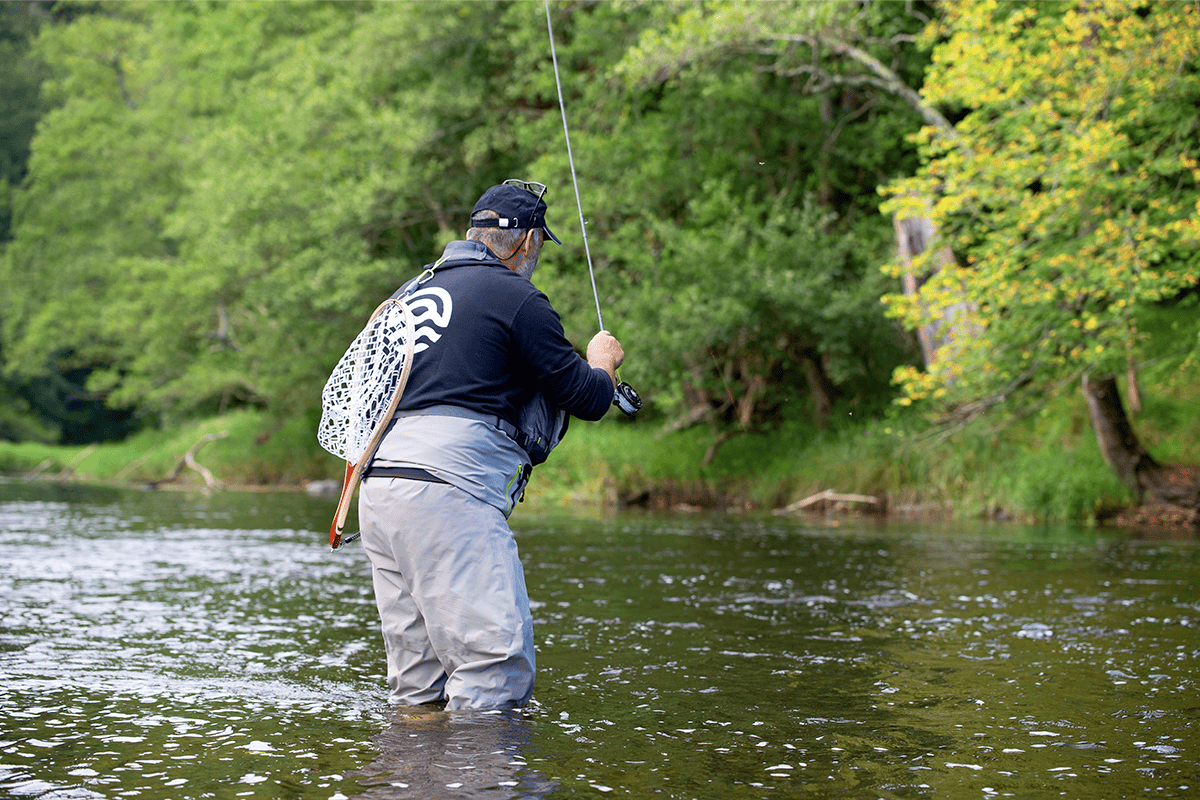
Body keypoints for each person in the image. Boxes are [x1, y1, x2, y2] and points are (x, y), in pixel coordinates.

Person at [357, 179, 625, 711]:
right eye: (540, 246)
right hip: (447, 490)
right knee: (494, 667)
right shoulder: (517, 297)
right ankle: (483, 783)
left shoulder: (410, 292)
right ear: (527, 243)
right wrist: (604, 362)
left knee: (418, 684)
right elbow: (587, 397)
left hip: (379, 486)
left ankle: (409, 783)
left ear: (474, 234)